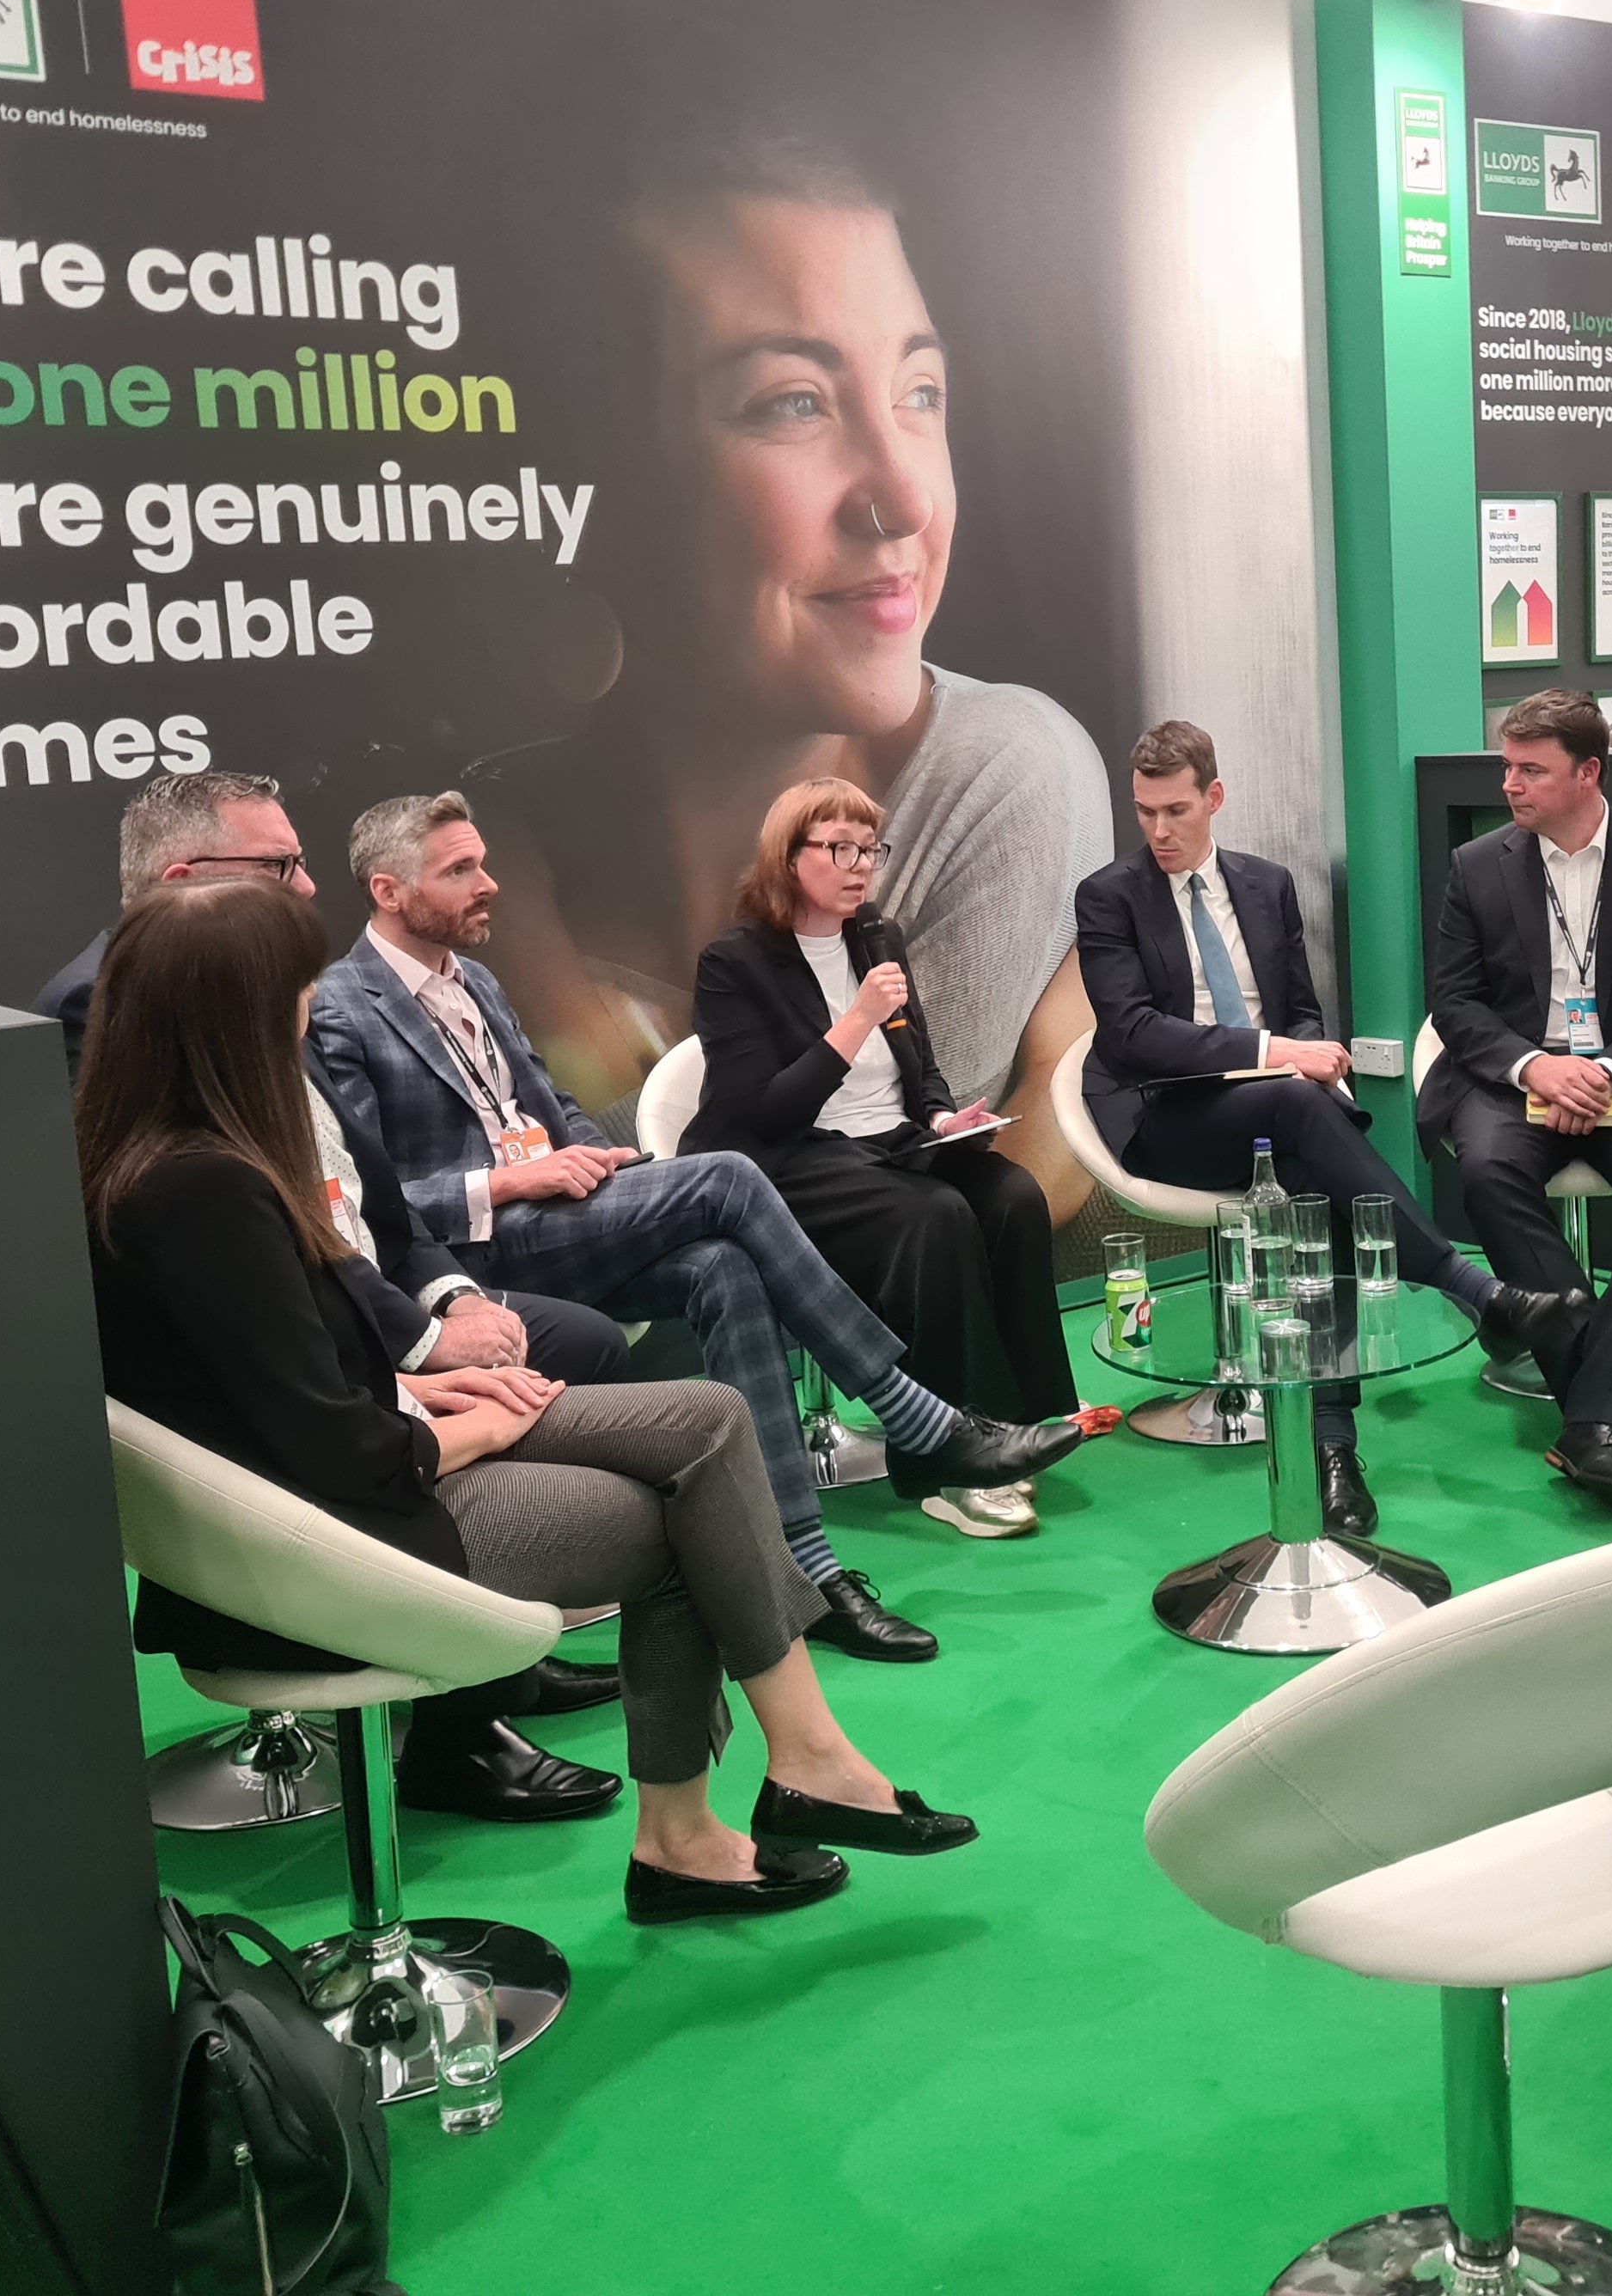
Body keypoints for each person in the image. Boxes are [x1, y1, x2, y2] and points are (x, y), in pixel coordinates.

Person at [79, 879, 975, 1925]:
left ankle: (791, 1769)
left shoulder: (162, 1161)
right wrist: (478, 1424)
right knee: (692, 1517)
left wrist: (421, 1381)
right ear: (233, 1013)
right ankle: (716, 1818)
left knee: (709, 1421)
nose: (309, 1008)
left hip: (350, 1472)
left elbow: (262, 1380)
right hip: (337, 1540)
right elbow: (332, 1451)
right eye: (292, 986)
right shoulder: (204, 1191)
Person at [460, 133, 1109, 1215]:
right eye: (793, 402)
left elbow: (861, 1201)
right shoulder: (480, 842)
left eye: (920, 390)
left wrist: (546, 989)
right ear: (600, 474)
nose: (903, 498)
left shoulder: (1002, 763)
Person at [306, 790, 1088, 1664]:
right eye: (460, 871)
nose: (489, 884)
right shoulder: (342, 1007)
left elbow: (550, 1105)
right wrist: (515, 1178)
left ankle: (806, 1570)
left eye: (483, 861)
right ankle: (916, 1416)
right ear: (387, 890)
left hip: (566, 1214)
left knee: (725, 1265)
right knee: (728, 1177)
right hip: (481, 1247)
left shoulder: (474, 981)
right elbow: (377, 1204)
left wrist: (596, 1157)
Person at [38, 772, 626, 1787]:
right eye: (279, 867)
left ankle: (497, 1675)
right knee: (646, 1432)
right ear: (187, 881)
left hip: (350, 1335)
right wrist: (418, 1367)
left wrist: (451, 1307)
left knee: (605, 1354)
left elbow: (371, 1200)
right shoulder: (143, 1043)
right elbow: (252, 1286)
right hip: (289, 1415)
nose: (310, 888)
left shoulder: (259, 983)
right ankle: (461, 1711)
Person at [1074, 720, 1583, 1535]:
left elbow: (1301, 1005)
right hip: (1166, 1114)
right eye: (1144, 813)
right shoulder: (1109, 897)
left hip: (1276, 1112)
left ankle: (1335, 1452)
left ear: (1214, 798)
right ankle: (1469, 1289)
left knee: (1318, 1187)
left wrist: (1313, 1061)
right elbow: (1133, 1034)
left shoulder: (1266, 884)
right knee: (1300, 1113)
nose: (1159, 832)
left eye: (1175, 810)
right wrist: (1282, 1055)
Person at [689, 779, 1115, 1542]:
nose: (860, 866)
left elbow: (918, 1064)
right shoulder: (734, 964)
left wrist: (943, 1117)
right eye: (839, 848)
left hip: (891, 1145)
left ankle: (1026, 1421)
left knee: (1010, 1193)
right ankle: (950, 1464)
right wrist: (854, 1019)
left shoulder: (875, 938)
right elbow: (767, 1110)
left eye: (869, 849)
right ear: (788, 860)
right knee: (937, 1216)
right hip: (785, 1161)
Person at [1416, 689, 1612, 1514]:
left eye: (1530, 770)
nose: (1510, 785)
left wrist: (1610, 1073)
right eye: (1507, 767)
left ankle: (1591, 1418)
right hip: (1514, 1078)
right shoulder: (1477, 866)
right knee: (1484, 1168)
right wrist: (1535, 1068)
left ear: (1589, 773)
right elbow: (1455, 1003)